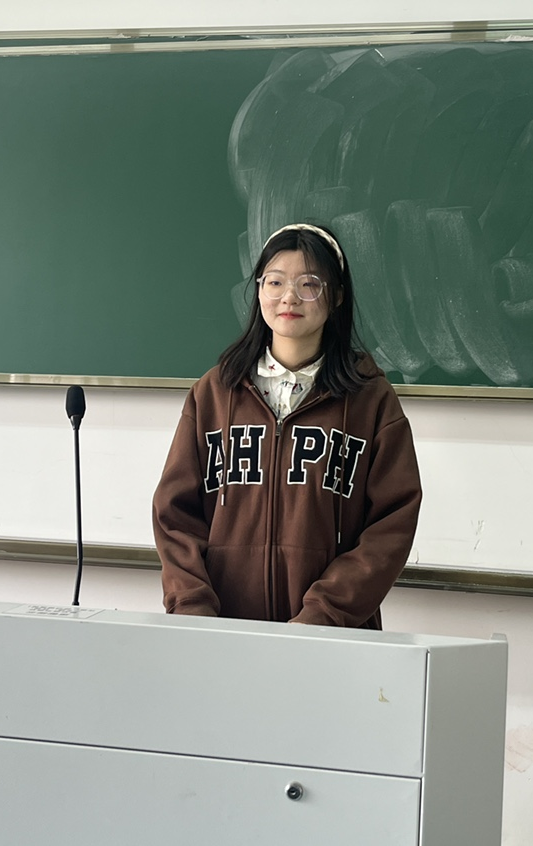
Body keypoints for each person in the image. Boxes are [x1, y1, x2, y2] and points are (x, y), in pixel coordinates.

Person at [152, 223, 422, 628]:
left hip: (331, 638)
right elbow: (174, 515)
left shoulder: (371, 400)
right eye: (275, 282)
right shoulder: (214, 393)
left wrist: (323, 615)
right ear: (259, 290)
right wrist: (194, 610)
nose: (289, 297)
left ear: (337, 295)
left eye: (308, 284)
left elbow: (391, 523)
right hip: (221, 634)